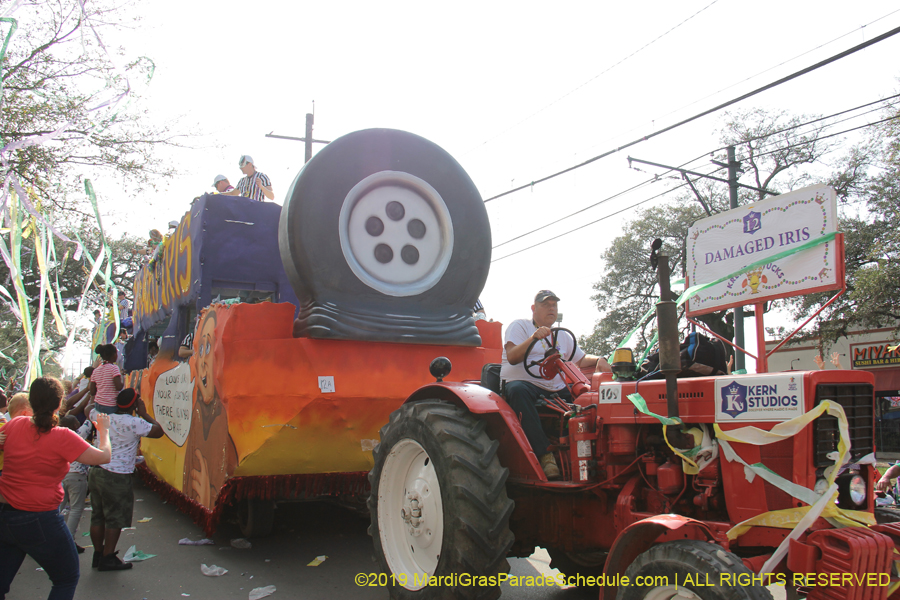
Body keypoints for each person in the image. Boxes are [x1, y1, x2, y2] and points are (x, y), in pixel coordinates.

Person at [0, 377, 111, 600]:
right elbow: (104, 456)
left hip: (5, 516)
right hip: (39, 518)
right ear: (60, 403)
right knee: (66, 578)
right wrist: (104, 431)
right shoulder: (63, 436)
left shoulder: (13, 425)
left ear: (31, 402)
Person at [500, 290, 611, 480]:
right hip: (526, 384)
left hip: (555, 389)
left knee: (585, 402)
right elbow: (512, 356)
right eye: (546, 304)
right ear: (534, 308)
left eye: (554, 305)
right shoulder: (520, 327)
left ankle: (588, 452)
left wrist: (600, 358)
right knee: (518, 390)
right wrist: (534, 337)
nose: (551, 308)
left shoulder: (563, 336)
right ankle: (545, 455)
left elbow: (581, 359)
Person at [87, 388, 163, 572]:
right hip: (117, 476)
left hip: (97, 470)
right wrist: (144, 413)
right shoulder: (135, 422)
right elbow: (159, 431)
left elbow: (87, 409)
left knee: (97, 516)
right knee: (114, 518)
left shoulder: (101, 416)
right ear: (135, 404)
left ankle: (98, 555)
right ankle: (108, 557)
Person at [58, 415, 93, 551]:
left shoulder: (58, 437)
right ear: (73, 426)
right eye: (76, 422)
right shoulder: (78, 434)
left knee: (58, 508)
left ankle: (53, 536)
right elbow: (89, 422)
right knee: (76, 510)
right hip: (77, 476)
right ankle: (68, 540)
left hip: (62, 476)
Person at [91, 345, 123, 414]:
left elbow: (92, 391)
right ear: (114, 355)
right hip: (110, 406)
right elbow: (118, 387)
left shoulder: (96, 371)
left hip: (98, 405)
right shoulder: (114, 368)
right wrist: (123, 381)